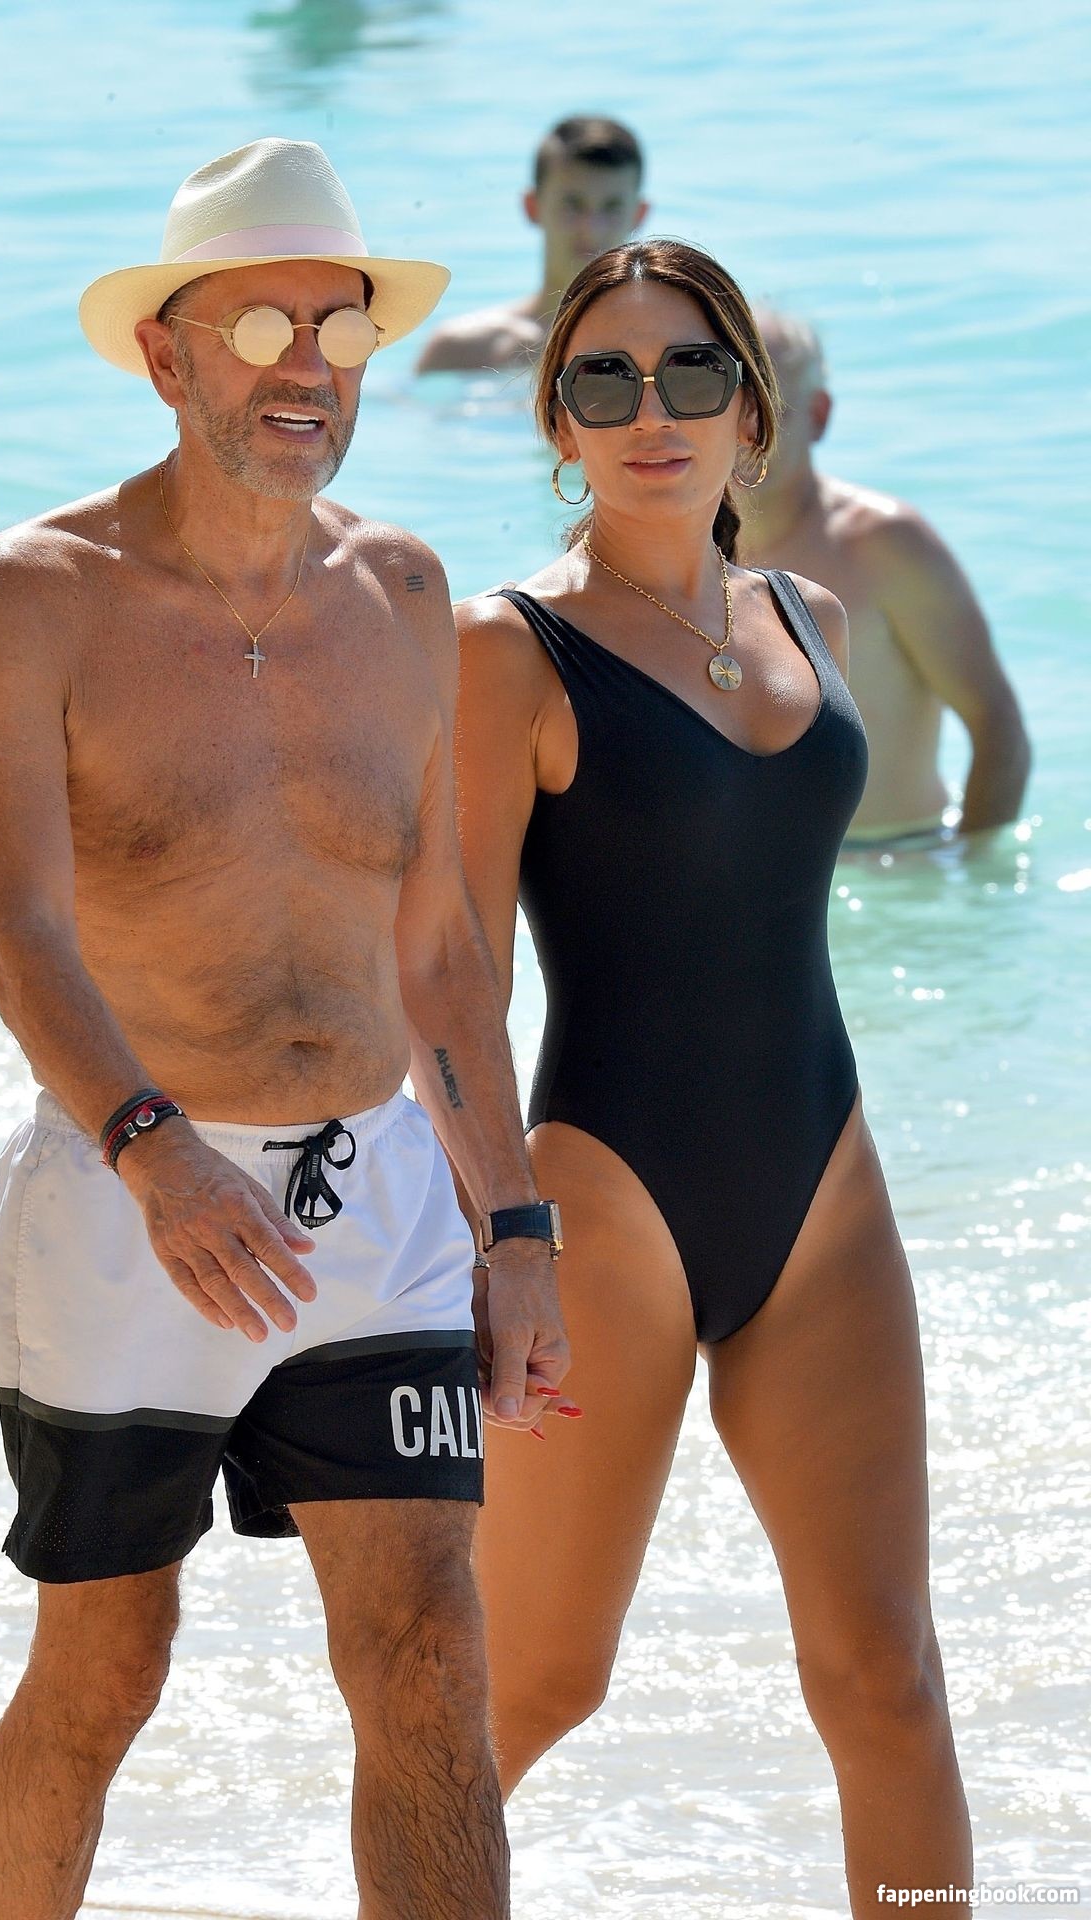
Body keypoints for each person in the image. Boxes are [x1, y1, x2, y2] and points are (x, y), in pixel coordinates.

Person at [0, 137, 573, 1920]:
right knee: (104, 1676)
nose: (309, 366)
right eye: (259, 327)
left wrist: (514, 1226)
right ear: (166, 354)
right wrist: (159, 1159)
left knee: (428, 1660)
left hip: (375, 1203)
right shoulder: (35, 593)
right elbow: (21, 933)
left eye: (341, 327)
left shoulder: (404, 593)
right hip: (128, 1194)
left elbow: (440, 948)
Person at [453, 239, 972, 1916]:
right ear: (559, 424)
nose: (650, 410)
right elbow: (448, 976)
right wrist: (503, 1236)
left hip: (824, 1188)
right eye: (602, 379)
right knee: (535, 1686)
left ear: (753, 408)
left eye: (691, 370)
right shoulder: (509, 650)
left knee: (887, 1678)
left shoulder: (811, 617)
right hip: (607, 1203)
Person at [740, 306, 1030, 846]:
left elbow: (997, 727)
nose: (748, 427)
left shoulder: (885, 544)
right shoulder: (680, 555)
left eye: (770, 405)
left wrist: (971, 873)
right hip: (766, 878)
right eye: (730, 400)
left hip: (903, 859)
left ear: (819, 415)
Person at [415, 115, 647, 375]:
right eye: (572, 204)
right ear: (532, 206)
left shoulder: (661, 350)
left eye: (612, 207)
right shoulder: (461, 350)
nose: (591, 228)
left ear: (639, 215)